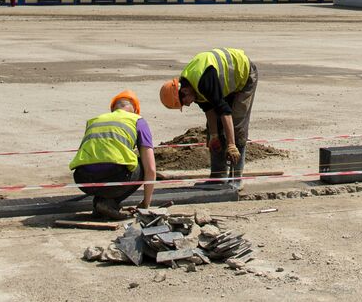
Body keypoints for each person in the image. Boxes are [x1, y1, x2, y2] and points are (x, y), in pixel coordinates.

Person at [159, 48, 257, 186]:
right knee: (214, 130)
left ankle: (236, 179)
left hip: (244, 75)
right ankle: (218, 177)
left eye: (184, 102)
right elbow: (209, 109)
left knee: (237, 127)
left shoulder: (203, 82)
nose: (187, 105)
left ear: (184, 91)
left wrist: (231, 144)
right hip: (226, 83)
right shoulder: (191, 86)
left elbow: (225, 111)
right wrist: (214, 135)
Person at [70, 90, 156, 220]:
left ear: (113, 109)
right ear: (135, 110)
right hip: (115, 178)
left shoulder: (95, 120)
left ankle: (99, 205)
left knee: (103, 165)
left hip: (82, 179)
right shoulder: (138, 121)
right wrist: (145, 203)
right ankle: (109, 203)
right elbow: (151, 169)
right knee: (141, 165)